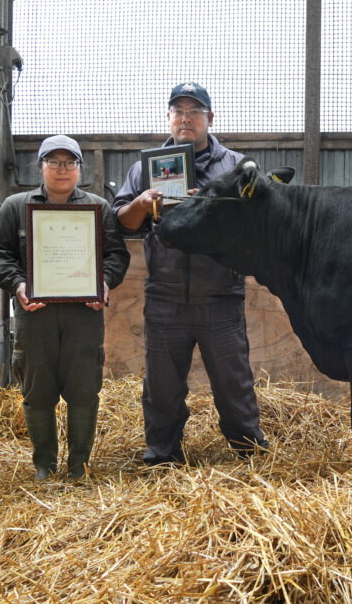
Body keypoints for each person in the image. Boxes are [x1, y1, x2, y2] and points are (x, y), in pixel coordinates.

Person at [113, 82, 268, 465]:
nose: (186, 118)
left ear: (209, 119)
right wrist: (142, 201)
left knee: (234, 382)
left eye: (194, 111)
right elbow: (121, 222)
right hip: (165, 296)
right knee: (161, 386)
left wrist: (213, 210)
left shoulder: (236, 165)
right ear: (169, 118)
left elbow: (261, 221)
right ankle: (162, 455)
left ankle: (249, 451)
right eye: (178, 111)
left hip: (220, 295)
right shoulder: (144, 168)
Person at [0, 135, 130, 479]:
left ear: (80, 169)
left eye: (70, 163)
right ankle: (44, 466)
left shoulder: (99, 208)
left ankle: (79, 464)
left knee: (83, 388)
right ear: (41, 167)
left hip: (85, 313)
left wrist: (105, 283)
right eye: (54, 162)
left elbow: (116, 255)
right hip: (34, 313)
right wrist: (19, 284)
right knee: (37, 389)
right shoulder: (15, 206)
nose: (62, 169)